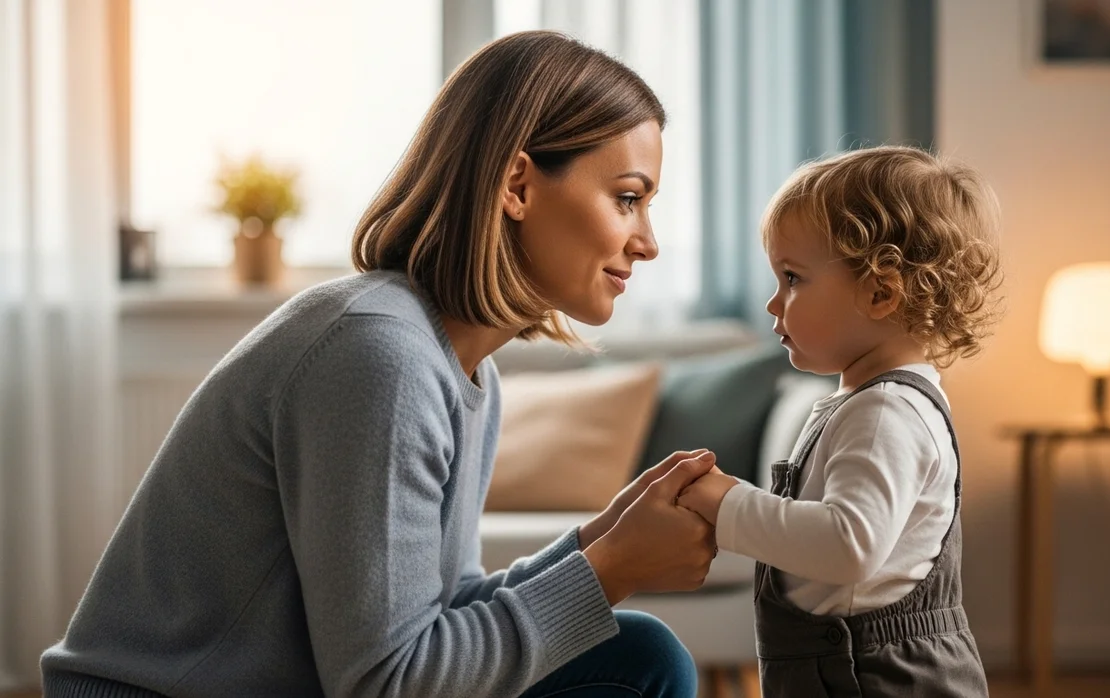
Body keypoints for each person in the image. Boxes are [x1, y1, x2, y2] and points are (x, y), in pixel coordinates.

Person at [41, 31, 716, 698]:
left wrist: (596, 544)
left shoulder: (460, 367)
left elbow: (437, 617)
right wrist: (607, 571)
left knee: (640, 656)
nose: (648, 241)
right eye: (628, 198)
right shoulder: (379, 356)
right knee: (639, 659)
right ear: (517, 185)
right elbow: (389, 683)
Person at [678, 146, 1003, 696]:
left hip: (874, 680)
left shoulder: (885, 413)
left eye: (793, 278)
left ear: (879, 292)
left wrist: (725, 500)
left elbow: (848, 544)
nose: (772, 303)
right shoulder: (871, 404)